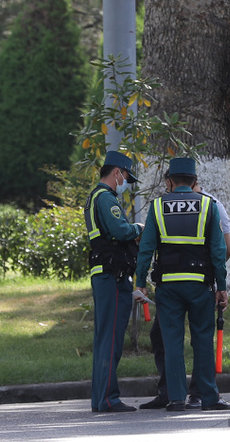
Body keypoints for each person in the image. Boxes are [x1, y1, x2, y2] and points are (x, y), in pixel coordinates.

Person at [134, 158, 230, 411]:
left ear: (169, 181)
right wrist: (221, 286)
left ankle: (176, 398)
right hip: (200, 285)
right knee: (202, 340)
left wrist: (140, 282)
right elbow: (218, 251)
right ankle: (208, 397)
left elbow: (146, 249)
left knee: (172, 341)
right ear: (194, 182)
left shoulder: (157, 207)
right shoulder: (209, 206)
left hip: (168, 286)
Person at [85, 150, 143, 413]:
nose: (125, 183)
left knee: (103, 339)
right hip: (112, 275)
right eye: (125, 177)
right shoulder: (105, 198)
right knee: (111, 340)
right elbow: (120, 230)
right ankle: (109, 399)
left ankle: (100, 399)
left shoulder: (95, 197)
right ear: (117, 172)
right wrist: (139, 229)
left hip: (104, 274)